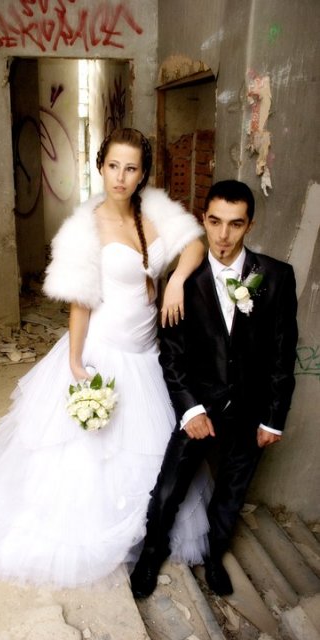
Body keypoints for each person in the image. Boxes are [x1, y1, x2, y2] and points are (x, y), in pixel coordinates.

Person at [0, 128, 213, 588]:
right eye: (113, 166)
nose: (121, 177)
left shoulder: (156, 211)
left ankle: (145, 530)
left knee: (151, 449)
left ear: (142, 174)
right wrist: (75, 362)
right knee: (92, 454)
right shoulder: (85, 228)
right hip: (103, 351)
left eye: (131, 168)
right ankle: (99, 533)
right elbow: (80, 303)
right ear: (100, 167)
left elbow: (194, 243)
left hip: (147, 355)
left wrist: (175, 280)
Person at [130, 179, 298, 599]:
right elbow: (171, 356)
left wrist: (274, 418)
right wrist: (190, 410)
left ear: (250, 225)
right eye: (215, 222)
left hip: (251, 407)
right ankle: (151, 554)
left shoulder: (276, 277)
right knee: (168, 489)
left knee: (232, 493)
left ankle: (215, 557)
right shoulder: (182, 281)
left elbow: (283, 354)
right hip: (199, 405)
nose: (223, 235)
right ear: (203, 219)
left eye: (235, 224)